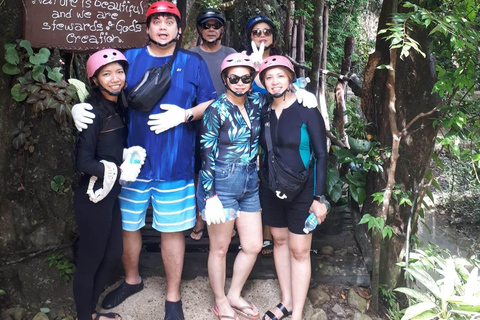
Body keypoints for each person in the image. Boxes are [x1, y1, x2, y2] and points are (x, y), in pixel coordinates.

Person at [71, 2, 216, 319]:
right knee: (128, 226)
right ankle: (132, 280)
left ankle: (173, 298)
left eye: (169, 21)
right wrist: (80, 106)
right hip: (129, 165)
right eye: (156, 21)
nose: (163, 27)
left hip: (176, 164)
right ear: (147, 28)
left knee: (172, 230)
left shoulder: (193, 63)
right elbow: (105, 90)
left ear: (179, 30)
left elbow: (211, 101)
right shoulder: (129, 59)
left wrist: (187, 114)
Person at [73, 49, 146, 320]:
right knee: (90, 263)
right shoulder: (93, 112)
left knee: (113, 254)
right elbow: (84, 162)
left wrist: (128, 155)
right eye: (106, 74)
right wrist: (118, 168)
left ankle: (90, 312)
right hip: (93, 196)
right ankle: (85, 316)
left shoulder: (119, 105)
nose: (115, 78)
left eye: (119, 72)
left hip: (110, 194)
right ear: (94, 80)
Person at [257, 56, 329, 320]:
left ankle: (297, 313)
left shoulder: (306, 110)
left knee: (299, 250)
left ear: (290, 79)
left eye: (280, 76)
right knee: (278, 241)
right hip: (271, 187)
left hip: (303, 191)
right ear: (263, 81)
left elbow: (322, 155)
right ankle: (286, 301)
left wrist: (318, 198)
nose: (274, 82)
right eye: (269, 77)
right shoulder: (263, 111)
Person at [197, 53, 264, 320]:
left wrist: (300, 90)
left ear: (252, 79)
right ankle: (220, 299)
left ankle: (235, 293)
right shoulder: (216, 109)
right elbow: (206, 152)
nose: (239, 83)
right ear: (224, 78)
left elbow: (281, 89)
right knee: (220, 247)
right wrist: (209, 194)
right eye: (233, 78)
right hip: (222, 180)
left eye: (245, 78)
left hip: (250, 178)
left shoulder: (258, 101)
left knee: (253, 244)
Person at [189, 8, 236, 241]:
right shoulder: (190, 55)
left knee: (225, 167)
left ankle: (229, 218)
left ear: (222, 30)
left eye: (215, 26)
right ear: (199, 29)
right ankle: (201, 216)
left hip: (229, 122)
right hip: (199, 121)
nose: (210, 29)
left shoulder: (231, 53)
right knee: (200, 170)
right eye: (206, 25)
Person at [245, 14, 281, 257]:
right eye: (256, 32)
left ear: (273, 38)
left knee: (271, 177)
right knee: (250, 179)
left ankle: (268, 234)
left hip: (275, 127)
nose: (261, 36)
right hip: (248, 128)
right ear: (249, 37)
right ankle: (250, 235)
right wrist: (253, 69)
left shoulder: (280, 62)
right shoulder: (243, 61)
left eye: (266, 31)